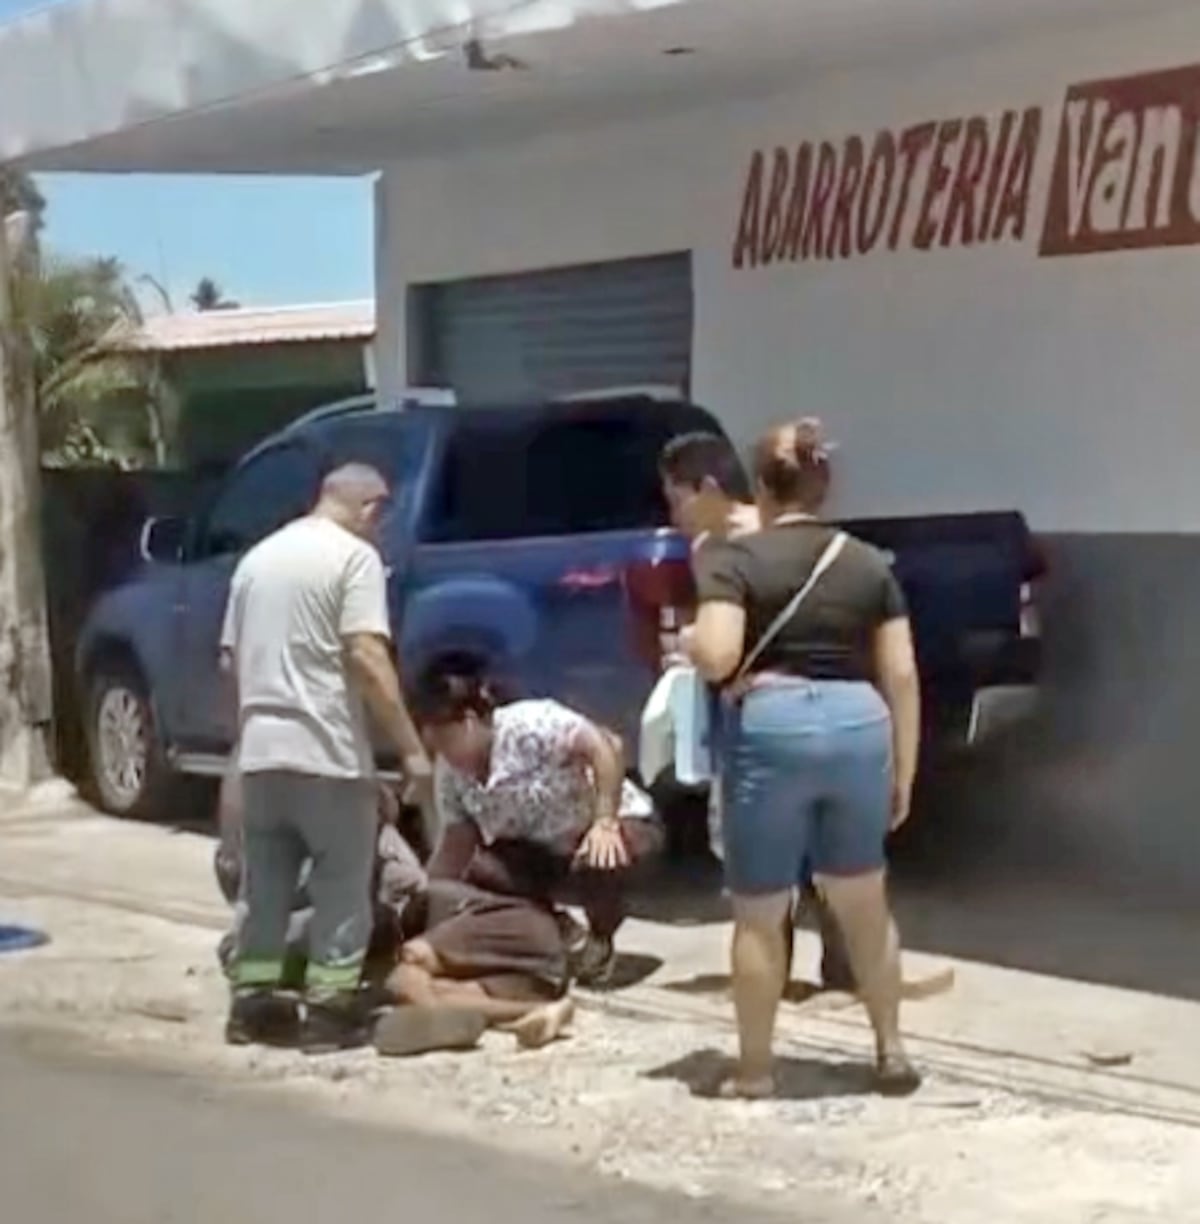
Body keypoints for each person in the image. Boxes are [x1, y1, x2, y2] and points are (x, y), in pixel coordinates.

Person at [685, 419, 921, 1098]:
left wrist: (694, 647)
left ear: (760, 486)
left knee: (760, 909)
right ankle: (891, 1051)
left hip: (773, 728)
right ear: (825, 486)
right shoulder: (869, 563)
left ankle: (757, 1071)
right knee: (864, 902)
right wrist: (902, 771)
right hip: (859, 725)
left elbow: (721, 653)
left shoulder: (732, 560)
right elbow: (901, 675)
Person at [219, 461, 433, 1052]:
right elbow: (365, 654)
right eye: (381, 520)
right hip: (326, 754)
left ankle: (254, 1005)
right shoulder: (353, 558)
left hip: (260, 755)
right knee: (342, 885)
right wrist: (411, 751)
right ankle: (331, 1013)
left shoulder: (256, 561)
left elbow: (231, 664)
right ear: (372, 509)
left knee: (265, 887)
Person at [659, 431, 856, 995]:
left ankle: (843, 969)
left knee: (819, 835)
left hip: (798, 703)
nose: (673, 515)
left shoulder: (774, 537)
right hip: (737, 710)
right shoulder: (705, 553)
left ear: (710, 488)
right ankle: (774, 967)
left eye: (677, 498)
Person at [417, 661, 664, 989]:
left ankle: (601, 938)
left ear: (469, 722)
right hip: (542, 848)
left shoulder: (530, 723)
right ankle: (561, 932)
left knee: (599, 859)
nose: (445, 754)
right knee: (483, 871)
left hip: (610, 826)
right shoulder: (451, 773)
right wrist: (421, 897)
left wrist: (605, 820)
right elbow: (456, 844)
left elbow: (608, 747)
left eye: (447, 742)